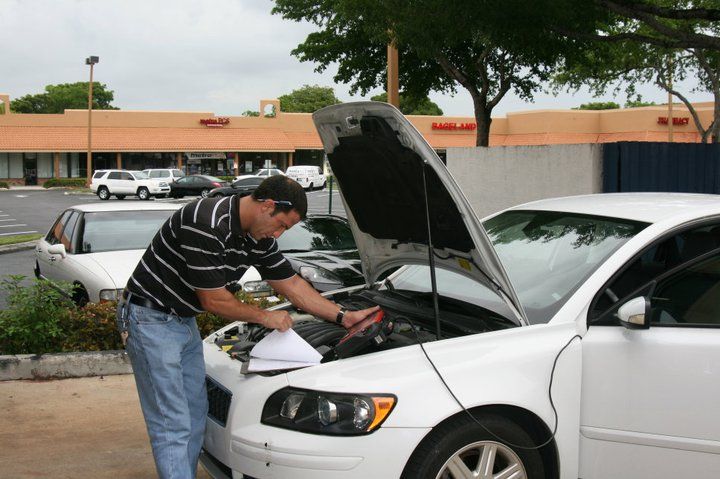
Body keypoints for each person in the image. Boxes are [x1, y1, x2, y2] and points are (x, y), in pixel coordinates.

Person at [116, 176, 379, 479]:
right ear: (267, 206)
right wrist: (266, 317)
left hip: (182, 320)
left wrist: (342, 316)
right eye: (281, 224)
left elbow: (292, 284)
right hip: (149, 319)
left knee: (195, 412)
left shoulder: (258, 238)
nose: (279, 234)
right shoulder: (204, 221)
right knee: (172, 421)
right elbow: (214, 300)